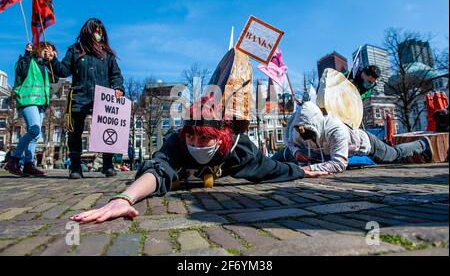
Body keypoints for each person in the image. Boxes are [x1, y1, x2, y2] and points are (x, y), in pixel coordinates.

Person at [70, 97, 326, 224]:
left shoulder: (239, 149)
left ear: (221, 137)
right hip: (182, 177)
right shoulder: (177, 143)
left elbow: (271, 169)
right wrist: (124, 199)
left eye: (204, 139)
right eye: (191, 136)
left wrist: (301, 171)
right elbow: (156, 170)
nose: (195, 144)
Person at [52, 18, 125, 179]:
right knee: (75, 133)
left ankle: (107, 165)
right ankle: (76, 167)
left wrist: (118, 88)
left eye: (100, 31)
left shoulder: (107, 53)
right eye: (95, 31)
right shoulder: (75, 50)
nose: (98, 34)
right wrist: (52, 60)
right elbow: (63, 71)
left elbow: (116, 75)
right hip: (79, 96)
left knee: (108, 130)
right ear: (88, 31)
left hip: (103, 98)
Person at [284, 102, 432, 174]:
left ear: (316, 123)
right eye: (301, 131)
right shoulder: (299, 129)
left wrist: (308, 169)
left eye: (308, 132)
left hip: (366, 143)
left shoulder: (335, 129)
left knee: (393, 155)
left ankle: (422, 144)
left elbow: (339, 164)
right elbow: (290, 143)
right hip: (338, 150)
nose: (305, 136)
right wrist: (296, 152)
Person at [4, 42, 59, 177]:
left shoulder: (44, 66)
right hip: (28, 99)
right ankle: (14, 160)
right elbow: (20, 71)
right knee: (34, 129)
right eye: (45, 50)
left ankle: (28, 164)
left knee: (36, 134)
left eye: (50, 51)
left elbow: (55, 79)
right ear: (38, 49)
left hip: (40, 102)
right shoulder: (28, 60)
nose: (47, 53)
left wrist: (53, 61)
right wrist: (28, 54)